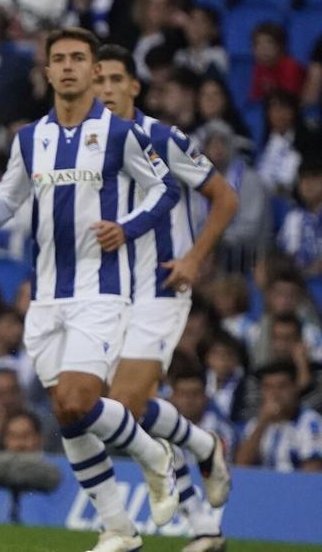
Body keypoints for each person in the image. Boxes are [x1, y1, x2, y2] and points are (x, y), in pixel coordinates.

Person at [0, 27, 181, 552]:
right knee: (65, 413)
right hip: (45, 296)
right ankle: (118, 528)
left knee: (80, 399)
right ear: (47, 70)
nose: (66, 67)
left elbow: (165, 189)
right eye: (57, 59)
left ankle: (155, 457)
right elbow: (7, 201)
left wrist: (125, 229)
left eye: (77, 59)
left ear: (91, 69)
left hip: (102, 291)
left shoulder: (121, 134)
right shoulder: (28, 138)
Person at [93, 44, 237, 552]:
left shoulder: (163, 138)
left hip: (161, 286)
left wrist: (195, 260)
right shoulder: (88, 150)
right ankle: (203, 517)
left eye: (115, 79)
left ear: (134, 86)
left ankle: (145, 520)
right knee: (131, 411)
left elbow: (226, 197)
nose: (106, 89)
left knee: (122, 407)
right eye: (98, 80)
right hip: (110, 294)